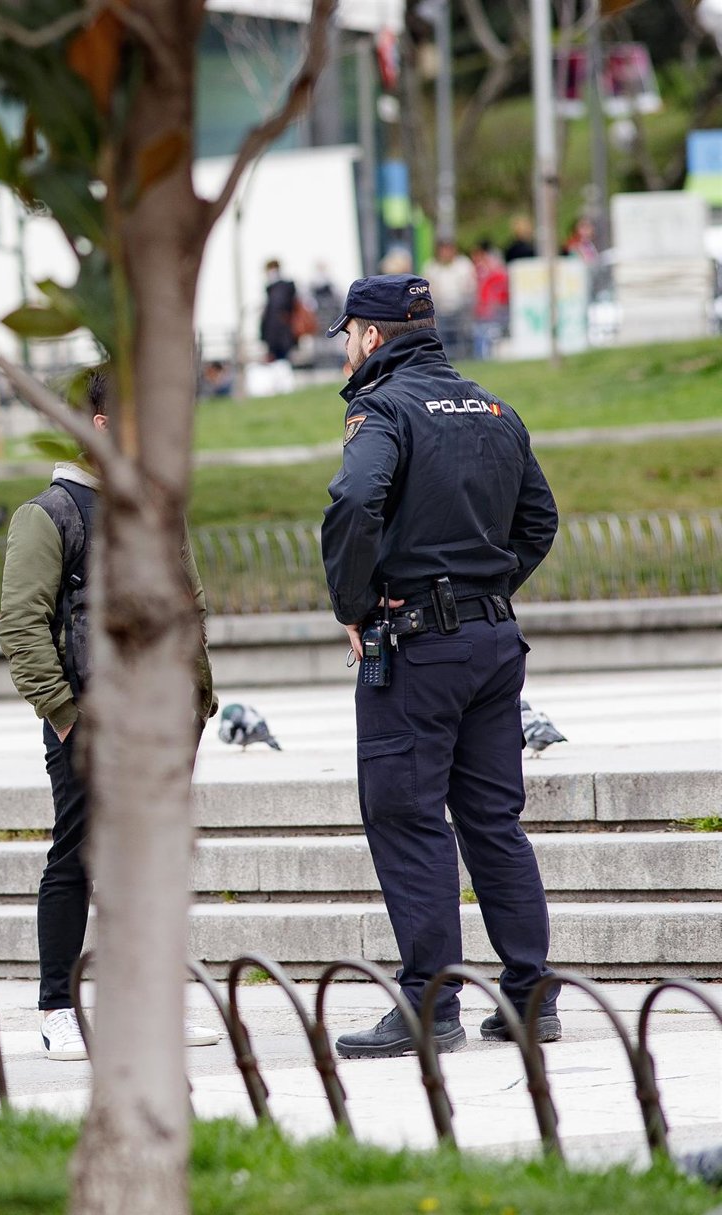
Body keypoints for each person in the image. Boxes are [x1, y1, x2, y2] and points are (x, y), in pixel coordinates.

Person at [319, 275, 561, 1060]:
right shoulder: (493, 408)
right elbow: (539, 519)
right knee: (493, 820)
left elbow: (355, 501)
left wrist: (355, 603)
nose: (347, 347)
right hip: (494, 644)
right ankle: (529, 997)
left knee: (408, 816)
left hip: (417, 646)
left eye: (349, 333)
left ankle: (431, 1002)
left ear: (372, 336)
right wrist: (488, 589)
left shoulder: (383, 409)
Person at [0, 367, 221, 1061]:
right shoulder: (49, 513)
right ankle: (57, 1006)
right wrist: (64, 714)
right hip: (89, 718)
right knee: (77, 856)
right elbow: (21, 625)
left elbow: (189, 604)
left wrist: (197, 699)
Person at [421, 239, 476, 361]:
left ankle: (464, 356)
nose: (446, 253)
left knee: (463, 335)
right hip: (439, 311)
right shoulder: (431, 267)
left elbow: (470, 286)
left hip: (460, 309)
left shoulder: (463, 265)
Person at [471, 240, 510, 360]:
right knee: (481, 335)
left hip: (493, 312)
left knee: (489, 336)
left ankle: (484, 357)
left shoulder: (494, 271)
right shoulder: (481, 271)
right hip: (483, 311)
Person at [259, 258, 298, 363]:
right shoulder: (272, 288)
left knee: (282, 359)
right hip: (276, 332)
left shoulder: (281, 288)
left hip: (280, 332)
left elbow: (280, 308)